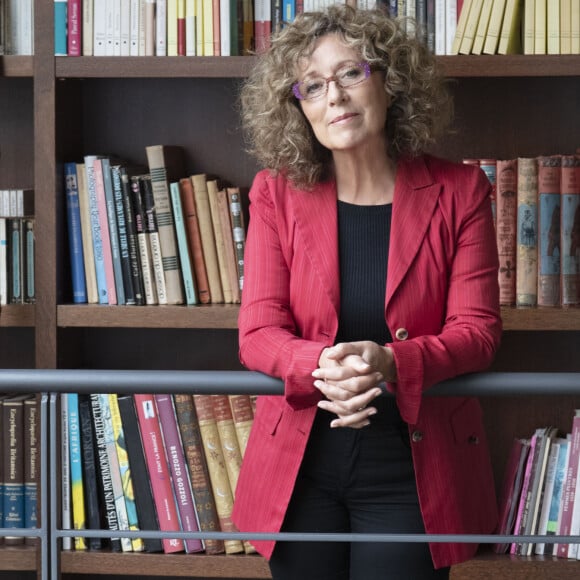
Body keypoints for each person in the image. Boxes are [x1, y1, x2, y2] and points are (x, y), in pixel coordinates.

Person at [232, 5, 502, 580]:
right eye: (313, 86)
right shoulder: (275, 195)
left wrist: (390, 361)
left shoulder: (461, 190)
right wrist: (321, 364)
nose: (335, 96)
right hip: (300, 470)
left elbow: (478, 333)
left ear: (390, 81)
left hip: (412, 470)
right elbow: (257, 332)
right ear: (298, 107)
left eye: (351, 73)